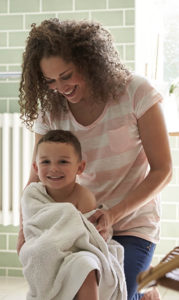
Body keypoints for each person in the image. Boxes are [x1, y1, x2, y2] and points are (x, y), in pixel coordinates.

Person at [17, 18, 172, 299]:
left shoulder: (136, 92)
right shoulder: (52, 110)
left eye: (67, 75)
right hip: (80, 224)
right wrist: (24, 229)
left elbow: (163, 170)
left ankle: (143, 294)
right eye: (50, 81)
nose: (61, 88)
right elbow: (35, 178)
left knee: (117, 291)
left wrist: (113, 213)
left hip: (133, 223)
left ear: (90, 62)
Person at [22, 129, 99, 300]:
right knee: (40, 252)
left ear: (80, 167)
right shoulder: (32, 195)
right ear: (35, 167)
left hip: (76, 252)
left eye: (63, 161)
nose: (54, 169)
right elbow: (33, 229)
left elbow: (88, 236)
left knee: (86, 265)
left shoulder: (84, 196)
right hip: (45, 250)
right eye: (45, 162)